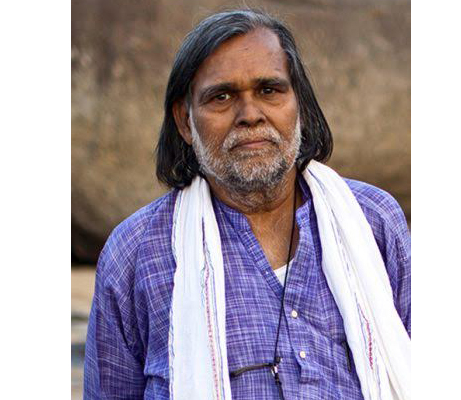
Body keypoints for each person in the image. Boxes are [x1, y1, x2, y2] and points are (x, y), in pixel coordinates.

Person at [84, 9, 410, 400]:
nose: (250, 115)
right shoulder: (137, 252)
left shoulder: (373, 221)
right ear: (185, 122)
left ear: (299, 106)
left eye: (269, 90)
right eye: (221, 97)